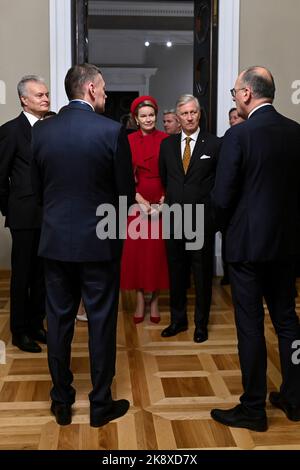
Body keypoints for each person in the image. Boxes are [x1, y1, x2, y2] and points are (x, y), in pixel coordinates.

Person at [31, 63, 135, 427]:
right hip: (99, 246)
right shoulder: (111, 131)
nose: (106, 95)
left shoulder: (42, 132)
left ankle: (61, 402)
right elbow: (125, 197)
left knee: (58, 323)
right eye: (104, 89)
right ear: (90, 89)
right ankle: (100, 405)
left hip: (56, 243)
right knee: (101, 323)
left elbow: (38, 191)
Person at [211, 66, 300, 431]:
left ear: (247, 94)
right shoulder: (296, 132)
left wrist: (218, 231)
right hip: (288, 246)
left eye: (234, 93)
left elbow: (222, 196)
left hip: (247, 247)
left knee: (249, 325)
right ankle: (295, 399)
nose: (235, 99)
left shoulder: (239, 135)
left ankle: (253, 408)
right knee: (287, 321)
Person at [159, 94, 221, 343]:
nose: (189, 117)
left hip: (201, 221)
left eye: (193, 112)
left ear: (199, 113)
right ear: (177, 117)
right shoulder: (167, 145)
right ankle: (178, 320)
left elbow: (219, 184)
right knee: (176, 273)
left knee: (203, 275)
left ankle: (201, 325)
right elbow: (166, 180)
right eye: (184, 113)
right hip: (174, 218)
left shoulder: (215, 144)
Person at [0, 75, 49, 353]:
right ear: (23, 99)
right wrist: (12, 210)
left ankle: (35, 324)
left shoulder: (52, 128)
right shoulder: (10, 131)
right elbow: (0, 178)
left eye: (47, 94)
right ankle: (19, 331)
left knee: (43, 275)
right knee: (22, 276)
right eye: (39, 95)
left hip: (49, 215)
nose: (45, 98)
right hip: (23, 216)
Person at [120, 96, 169, 323]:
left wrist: (163, 200)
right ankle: (140, 298)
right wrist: (138, 199)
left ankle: (156, 300)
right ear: (136, 120)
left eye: (151, 115)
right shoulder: (128, 141)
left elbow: (174, 175)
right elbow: (123, 177)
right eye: (143, 116)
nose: (148, 119)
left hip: (162, 202)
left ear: (155, 116)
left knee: (158, 254)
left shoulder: (167, 140)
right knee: (138, 253)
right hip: (137, 202)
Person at [220, 108, 245, 286]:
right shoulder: (222, 142)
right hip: (229, 204)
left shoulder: (253, 139)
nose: (233, 120)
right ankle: (228, 275)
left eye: (237, 117)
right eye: (231, 118)